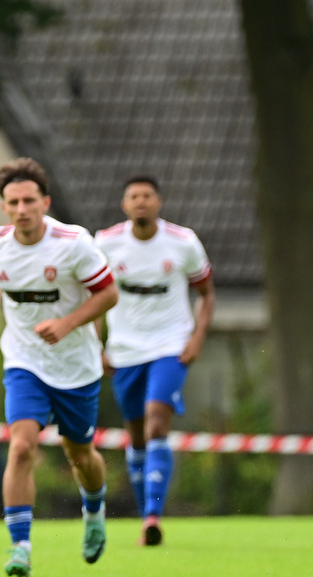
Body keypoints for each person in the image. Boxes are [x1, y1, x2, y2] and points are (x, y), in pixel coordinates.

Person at [0, 157, 117, 577]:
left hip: (77, 366)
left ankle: (94, 510)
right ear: (4, 207)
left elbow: (108, 293)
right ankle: (21, 547)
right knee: (22, 446)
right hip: (24, 361)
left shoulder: (74, 242)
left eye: (29, 200)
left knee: (79, 454)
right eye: (13, 201)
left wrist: (68, 324)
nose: (21, 209)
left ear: (45, 202)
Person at [96, 176, 215, 546]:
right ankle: (144, 509)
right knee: (136, 435)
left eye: (147, 196)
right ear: (124, 204)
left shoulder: (183, 242)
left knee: (157, 422)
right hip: (125, 350)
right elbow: (89, 294)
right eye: (134, 196)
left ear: (158, 201)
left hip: (170, 346)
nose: (141, 202)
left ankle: (152, 516)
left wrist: (196, 337)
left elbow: (207, 294)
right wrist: (94, 343)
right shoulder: (105, 242)